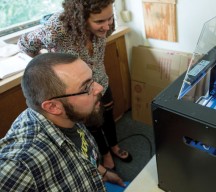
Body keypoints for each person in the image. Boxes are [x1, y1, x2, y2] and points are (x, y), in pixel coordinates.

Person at [18, 0, 132, 171]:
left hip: (100, 80)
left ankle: (114, 145)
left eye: (109, 19)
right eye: (99, 22)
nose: (107, 26)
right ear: (80, 17)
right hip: (79, 90)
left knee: (107, 116)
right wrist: (49, 65)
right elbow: (25, 44)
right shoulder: (58, 28)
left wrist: (104, 22)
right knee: (92, 122)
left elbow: (107, 28)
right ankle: (105, 153)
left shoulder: (107, 22)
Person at [0, 53, 125, 191]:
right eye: (86, 87)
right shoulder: (21, 166)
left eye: (92, 79)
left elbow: (81, 154)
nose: (99, 88)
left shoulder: (71, 113)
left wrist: (103, 172)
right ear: (53, 107)